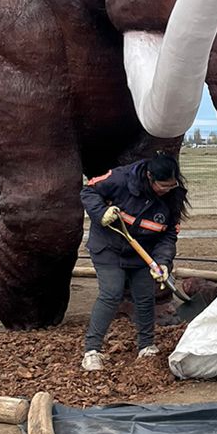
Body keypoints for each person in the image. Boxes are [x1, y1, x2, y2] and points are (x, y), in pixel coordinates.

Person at [79, 152, 187, 372]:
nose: (166, 190)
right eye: (162, 186)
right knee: (112, 292)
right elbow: (88, 190)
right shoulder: (120, 179)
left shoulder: (173, 197)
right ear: (149, 176)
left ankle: (146, 346)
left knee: (146, 296)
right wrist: (101, 213)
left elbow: (168, 235)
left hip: (142, 252)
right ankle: (92, 350)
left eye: (171, 185)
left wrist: (163, 262)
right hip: (108, 247)